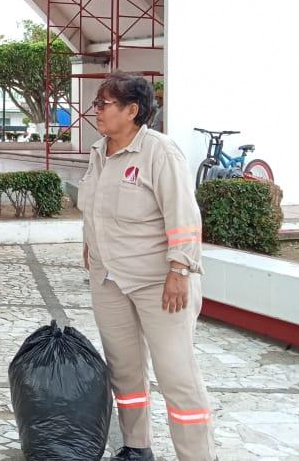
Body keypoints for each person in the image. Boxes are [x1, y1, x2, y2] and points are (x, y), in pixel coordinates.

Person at [79, 72, 215, 461]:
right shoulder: (99, 152)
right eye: (97, 103)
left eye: (103, 104)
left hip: (159, 283)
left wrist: (180, 270)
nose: (96, 111)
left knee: (177, 375)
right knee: (125, 371)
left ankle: (198, 456)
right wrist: (89, 246)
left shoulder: (160, 152)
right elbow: (95, 208)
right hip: (109, 280)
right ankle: (137, 446)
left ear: (132, 110)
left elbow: (184, 217)